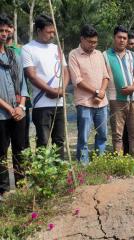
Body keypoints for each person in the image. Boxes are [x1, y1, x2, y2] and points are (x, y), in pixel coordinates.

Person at [22, 14, 69, 158]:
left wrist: (62, 89)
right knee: (43, 140)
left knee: (59, 140)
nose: (52, 35)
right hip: (41, 103)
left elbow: (66, 70)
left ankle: (59, 172)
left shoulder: (57, 48)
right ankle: (42, 174)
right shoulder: (28, 49)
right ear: (39, 30)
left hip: (59, 102)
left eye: (53, 32)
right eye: (49, 32)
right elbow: (32, 75)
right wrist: (50, 90)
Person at [68, 25, 110, 164]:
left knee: (103, 134)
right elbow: (77, 80)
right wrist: (97, 92)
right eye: (90, 42)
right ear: (82, 39)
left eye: (95, 42)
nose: (93, 45)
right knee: (84, 137)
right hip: (84, 103)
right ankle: (83, 165)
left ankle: (99, 162)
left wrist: (102, 92)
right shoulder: (74, 54)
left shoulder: (99, 54)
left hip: (102, 103)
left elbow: (106, 76)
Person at [0, 14, 28, 195]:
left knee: (21, 150)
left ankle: (22, 186)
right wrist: (10, 108)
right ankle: (2, 190)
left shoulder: (13, 54)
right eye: (0, 30)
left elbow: (23, 84)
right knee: (1, 152)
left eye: (5, 30)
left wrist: (21, 106)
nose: (4, 34)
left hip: (18, 111)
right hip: (1, 115)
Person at [104, 25, 134, 157]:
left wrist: (133, 87)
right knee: (117, 134)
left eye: (124, 38)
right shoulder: (105, 56)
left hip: (133, 100)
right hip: (115, 100)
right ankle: (119, 162)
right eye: (119, 37)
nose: (122, 40)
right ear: (114, 38)